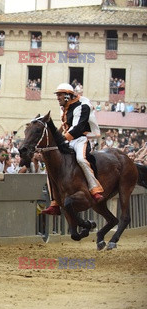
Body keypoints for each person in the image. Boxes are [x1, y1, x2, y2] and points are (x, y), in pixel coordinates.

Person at [41, 83, 104, 215]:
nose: (58, 97)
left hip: (80, 139)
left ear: (68, 95)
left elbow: (78, 128)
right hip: (69, 140)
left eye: (60, 95)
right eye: (57, 95)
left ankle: (94, 189)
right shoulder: (64, 107)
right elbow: (64, 127)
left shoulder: (83, 106)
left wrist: (61, 139)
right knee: (50, 166)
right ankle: (55, 203)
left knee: (81, 159)